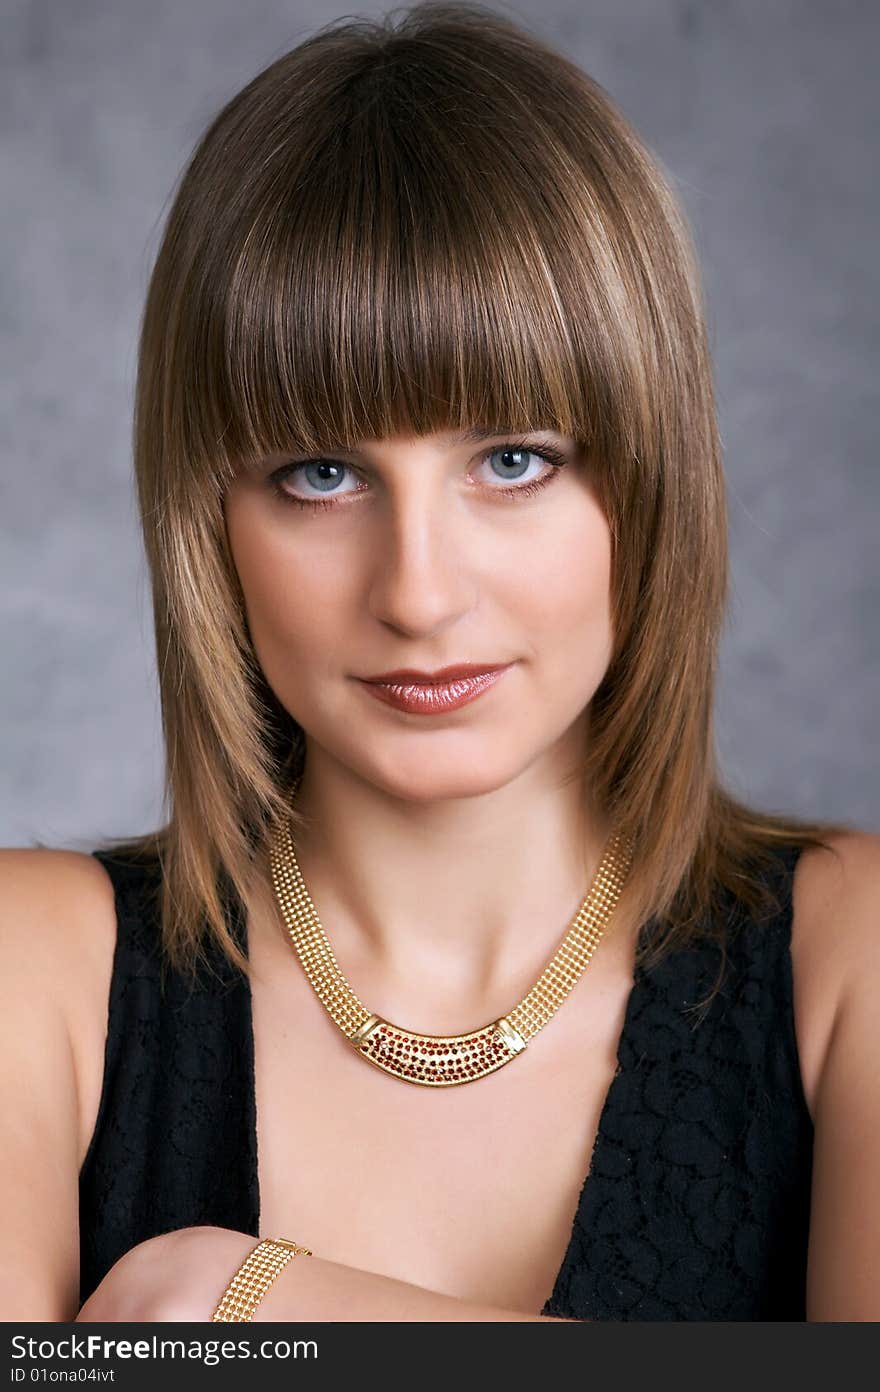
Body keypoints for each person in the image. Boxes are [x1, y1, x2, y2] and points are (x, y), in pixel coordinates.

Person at [2, 1, 877, 1324]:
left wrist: (238, 1306)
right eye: (320, 472)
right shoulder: (33, 970)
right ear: (208, 520)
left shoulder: (851, 957)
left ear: (649, 482)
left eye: (513, 459)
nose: (418, 593)